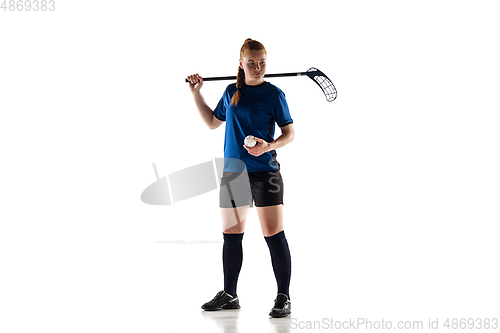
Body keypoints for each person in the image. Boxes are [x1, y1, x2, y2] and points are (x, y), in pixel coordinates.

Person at [186, 38, 295, 318]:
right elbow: (213, 123)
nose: (258, 68)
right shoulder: (230, 91)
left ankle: (283, 297)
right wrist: (197, 94)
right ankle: (230, 295)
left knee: (273, 235)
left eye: (262, 63)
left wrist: (267, 146)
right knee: (231, 236)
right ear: (240, 63)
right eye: (251, 63)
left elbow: (289, 133)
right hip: (234, 174)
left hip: (265, 173)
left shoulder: (274, 94)